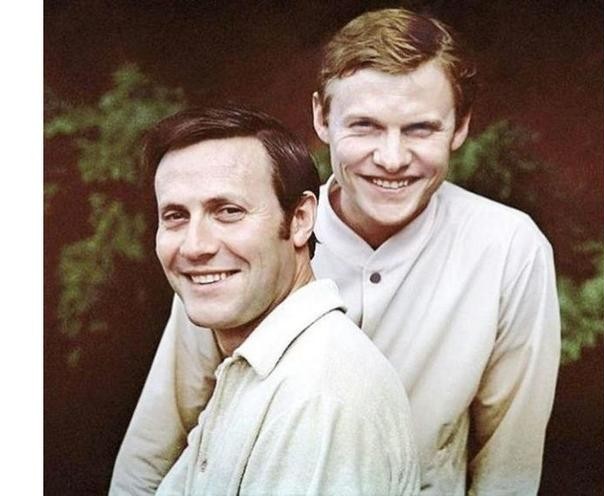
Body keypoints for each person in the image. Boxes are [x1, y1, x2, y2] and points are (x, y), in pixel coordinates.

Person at [111, 8, 561, 496]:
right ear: (321, 118)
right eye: (364, 126)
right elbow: (153, 450)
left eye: (420, 129)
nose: (391, 158)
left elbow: (508, 471)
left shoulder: (511, 250)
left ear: (460, 127)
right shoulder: (245, 241)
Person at [113, 105, 420, 496]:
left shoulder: (317, 399)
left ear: (300, 219)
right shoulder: (261, 369)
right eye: (175, 216)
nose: (194, 246)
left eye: (228, 211)